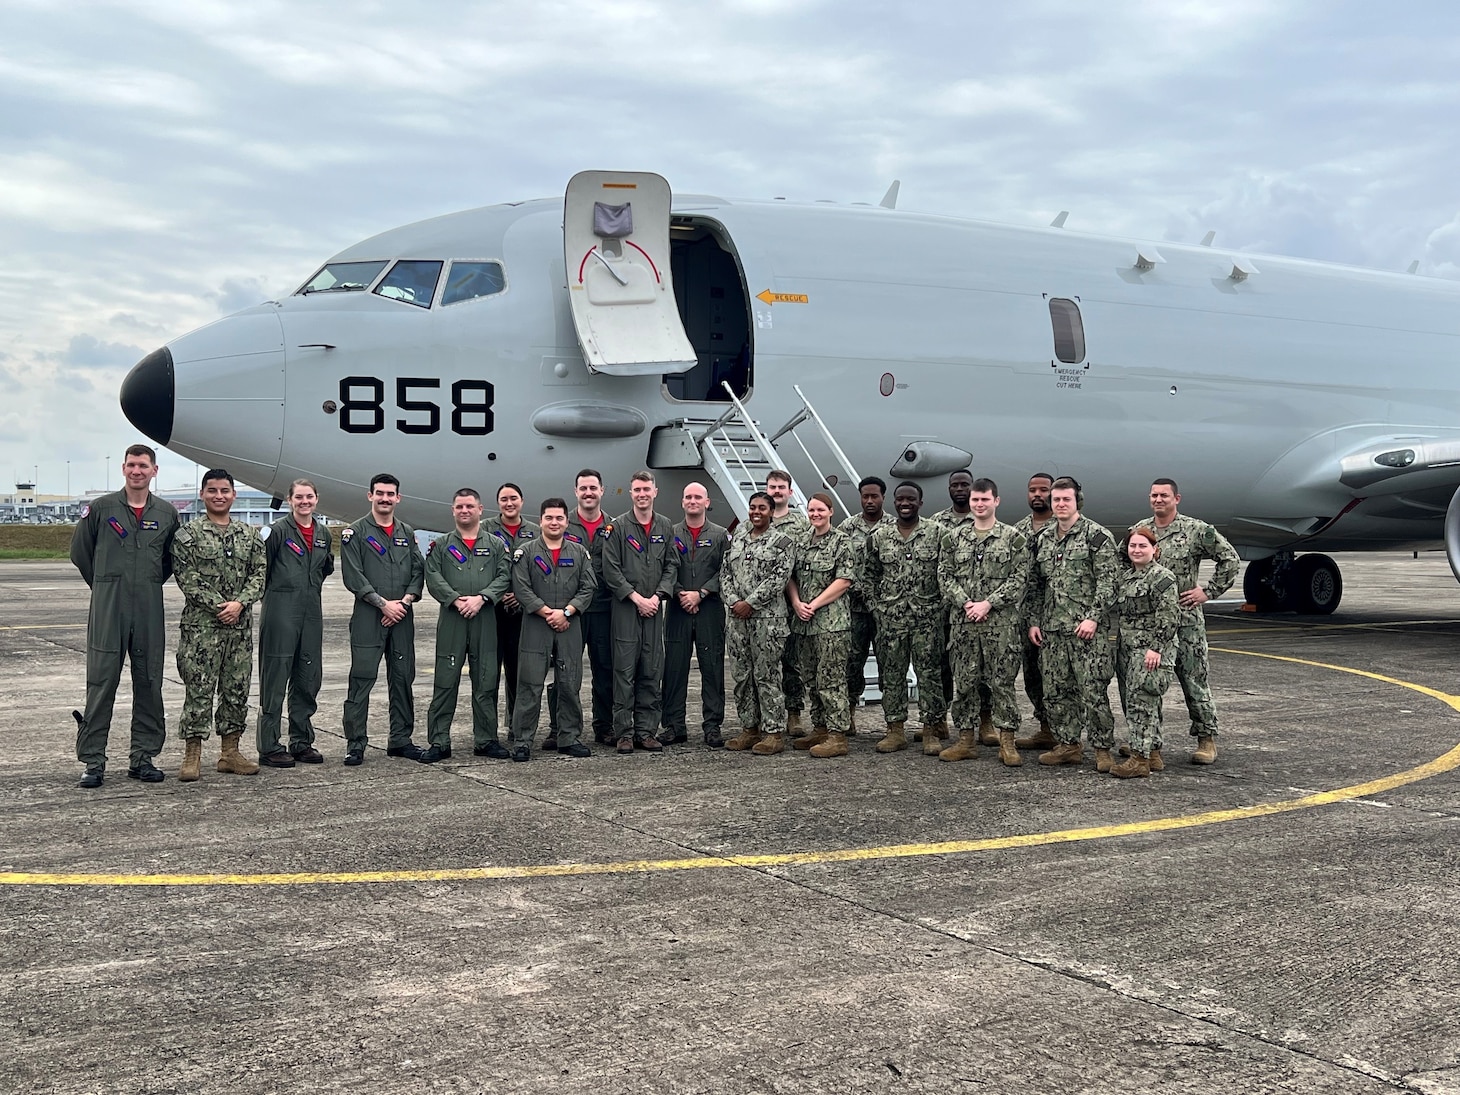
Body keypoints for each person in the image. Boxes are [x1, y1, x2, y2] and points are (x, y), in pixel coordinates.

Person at [70, 443, 180, 788]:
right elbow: (80, 552)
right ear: (123, 468)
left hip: (148, 605)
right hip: (109, 606)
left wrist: (144, 583)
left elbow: (169, 560)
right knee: (102, 682)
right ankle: (93, 760)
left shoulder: (165, 512)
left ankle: (143, 757)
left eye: (143, 466)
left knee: (149, 681)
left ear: (154, 471)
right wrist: (105, 584)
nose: (137, 471)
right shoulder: (101, 509)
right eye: (132, 465)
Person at [171, 468, 267, 782]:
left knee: (235, 691)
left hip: (238, 630)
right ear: (203, 494)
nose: (219, 496)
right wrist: (220, 606)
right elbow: (188, 579)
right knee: (198, 690)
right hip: (202, 629)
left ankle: (230, 753)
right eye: (212, 490)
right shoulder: (188, 535)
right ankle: (192, 754)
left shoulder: (250, 535)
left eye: (225, 490)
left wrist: (239, 604)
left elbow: (259, 575)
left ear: (233, 494)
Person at [1146, 478, 1241, 765]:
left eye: (1164, 495)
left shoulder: (1196, 530)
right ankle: (1148, 743)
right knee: (1148, 685)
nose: (1158, 499)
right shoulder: (1141, 531)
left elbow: (1230, 559)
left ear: (1177, 499)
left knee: (1194, 681)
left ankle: (1206, 739)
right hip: (1152, 623)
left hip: (1185, 619)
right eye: (1154, 495)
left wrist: (1208, 591)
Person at [1026, 477, 1118, 771]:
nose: (1060, 505)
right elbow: (1035, 585)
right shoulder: (1042, 539)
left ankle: (1102, 748)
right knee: (1056, 692)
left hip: (1086, 632)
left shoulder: (1097, 536)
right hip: (1052, 632)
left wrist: (1093, 617)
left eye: (1066, 499)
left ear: (1078, 501)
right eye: (1056, 500)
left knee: (1092, 692)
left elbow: (1109, 583)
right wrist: (1034, 621)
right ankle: (1068, 745)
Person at [937, 478, 1029, 766]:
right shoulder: (953, 539)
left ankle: (1007, 741)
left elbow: (1019, 579)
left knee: (1001, 684)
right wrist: (966, 602)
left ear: (996, 502)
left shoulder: (1014, 539)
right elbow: (944, 575)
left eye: (985, 500)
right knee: (964, 682)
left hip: (999, 625)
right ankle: (965, 739)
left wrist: (988, 603)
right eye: (975, 500)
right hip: (964, 623)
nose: (979, 504)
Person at [340, 473, 427, 765]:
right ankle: (355, 743)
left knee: (402, 679)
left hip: (402, 616)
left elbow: (418, 571)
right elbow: (353, 576)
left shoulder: (406, 532)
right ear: (370, 496)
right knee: (362, 679)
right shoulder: (356, 532)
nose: (385, 498)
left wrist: (402, 604)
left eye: (390, 494)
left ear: (398, 498)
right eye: (380, 493)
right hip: (368, 616)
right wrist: (382, 605)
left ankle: (400, 739)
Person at [423, 488, 512, 762]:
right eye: (460, 506)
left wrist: (482, 598)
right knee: (445, 681)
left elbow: (504, 575)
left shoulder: (496, 545)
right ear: (453, 510)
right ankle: (439, 741)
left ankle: (486, 740)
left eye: (469, 506)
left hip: (485, 617)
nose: (465, 511)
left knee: (485, 680)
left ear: (480, 509)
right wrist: (454, 599)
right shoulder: (441, 545)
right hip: (452, 618)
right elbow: (433, 576)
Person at [508, 499, 597, 761]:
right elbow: (521, 588)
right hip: (536, 624)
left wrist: (567, 612)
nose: (554, 522)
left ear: (566, 522)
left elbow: (588, 586)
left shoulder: (579, 553)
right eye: (549, 518)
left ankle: (568, 737)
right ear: (541, 520)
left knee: (569, 683)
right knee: (529, 684)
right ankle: (523, 741)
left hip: (570, 624)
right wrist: (548, 612)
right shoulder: (525, 552)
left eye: (559, 518)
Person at [864, 482, 949, 753]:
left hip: (927, 620)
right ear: (894, 502)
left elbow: (947, 574)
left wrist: (940, 607)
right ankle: (895, 729)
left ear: (920, 503)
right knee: (891, 675)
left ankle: (931, 730)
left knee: (930, 675)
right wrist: (877, 607)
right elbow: (867, 575)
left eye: (911, 499)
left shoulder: (938, 534)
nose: (905, 503)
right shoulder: (880, 536)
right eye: (900, 499)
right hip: (891, 620)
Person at [256, 478, 334, 768]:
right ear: (290, 500)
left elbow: (324, 569)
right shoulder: (276, 531)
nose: (305, 501)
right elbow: (261, 568)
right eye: (299, 497)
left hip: (311, 610)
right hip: (280, 609)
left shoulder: (324, 534)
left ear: (316, 500)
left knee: (307, 677)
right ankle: (269, 745)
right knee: (275, 677)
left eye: (309, 497)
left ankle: (302, 741)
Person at [603, 470, 677, 753]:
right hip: (626, 608)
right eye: (637, 490)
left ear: (654, 492)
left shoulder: (665, 526)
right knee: (624, 670)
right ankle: (624, 732)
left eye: (647, 489)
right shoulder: (617, 527)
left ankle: (646, 731)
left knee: (651, 669)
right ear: (631, 493)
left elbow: (672, 565)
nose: (642, 494)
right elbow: (611, 569)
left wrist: (657, 597)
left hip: (654, 608)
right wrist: (637, 598)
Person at [722, 492, 797, 754]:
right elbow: (725, 574)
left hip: (767, 620)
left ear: (771, 511)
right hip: (737, 620)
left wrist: (750, 603)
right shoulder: (739, 538)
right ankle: (749, 728)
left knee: (767, 675)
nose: (756, 512)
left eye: (762, 508)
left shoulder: (782, 542)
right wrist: (733, 601)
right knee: (742, 676)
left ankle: (774, 732)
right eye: (752, 507)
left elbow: (779, 579)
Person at [661, 482, 730, 747]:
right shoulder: (670, 533)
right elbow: (666, 568)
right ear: (682, 502)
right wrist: (680, 593)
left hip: (709, 608)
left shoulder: (720, 534)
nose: (692, 500)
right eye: (688, 496)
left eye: (697, 497)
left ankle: (712, 726)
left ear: (707, 501)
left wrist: (701, 593)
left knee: (712, 668)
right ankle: (673, 725)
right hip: (678, 608)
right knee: (674, 669)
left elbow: (725, 571)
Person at [788, 493, 856, 758]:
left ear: (831, 511)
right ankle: (820, 727)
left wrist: (813, 604)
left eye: (820, 510)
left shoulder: (841, 542)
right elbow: (789, 576)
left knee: (831, 678)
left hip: (831, 623)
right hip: (803, 622)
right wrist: (796, 603)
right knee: (810, 678)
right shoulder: (801, 541)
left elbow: (844, 580)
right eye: (811, 510)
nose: (815, 514)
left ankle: (838, 734)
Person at [1110, 525, 1180, 778]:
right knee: (1137, 701)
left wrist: (1156, 648)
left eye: (1143, 546)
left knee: (1142, 702)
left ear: (1155, 550)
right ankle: (1153, 752)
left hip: (1149, 650)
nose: (1136, 550)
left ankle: (1139, 760)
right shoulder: (1127, 577)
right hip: (1128, 648)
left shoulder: (1162, 578)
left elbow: (1170, 616)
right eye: (1132, 546)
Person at [558, 469, 615, 746]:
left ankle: (604, 726)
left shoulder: (614, 527)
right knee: (565, 670)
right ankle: (562, 727)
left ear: (602, 491)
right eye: (583, 488)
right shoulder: (563, 525)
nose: (588, 493)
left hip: (604, 609)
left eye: (593, 488)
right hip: (572, 612)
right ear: (576, 492)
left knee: (604, 669)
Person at [484, 483, 540, 732]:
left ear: (522, 501)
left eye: (514, 498)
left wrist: (521, 595)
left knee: (518, 674)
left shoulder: (535, 531)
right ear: (498, 503)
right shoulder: (485, 529)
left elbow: (540, 571)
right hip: (492, 610)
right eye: (504, 499)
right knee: (489, 674)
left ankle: (516, 727)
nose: (509, 503)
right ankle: (487, 731)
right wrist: (497, 594)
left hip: (522, 612)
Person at [839, 476, 894, 714]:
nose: (870, 501)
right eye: (865, 496)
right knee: (851, 663)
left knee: (890, 664)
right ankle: (848, 714)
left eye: (874, 496)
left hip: (885, 609)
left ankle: (893, 721)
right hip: (854, 610)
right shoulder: (847, 528)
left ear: (883, 497)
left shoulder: (894, 527)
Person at [929, 469, 974, 742]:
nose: (959, 488)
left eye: (964, 484)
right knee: (940, 666)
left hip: (973, 611)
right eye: (954, 485)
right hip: (942, 609)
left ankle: (985, 720)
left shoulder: (982, 519)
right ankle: (940, 719)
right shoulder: (937, 522)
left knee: (974, 668)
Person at [765, 469, 811, 736]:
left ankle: (793, 713)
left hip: (791, 603)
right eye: (772, 487)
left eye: (781, 487)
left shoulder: (800, 525)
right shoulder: (757, 520)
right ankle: (768, 716)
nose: (777, 491)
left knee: (792, 661)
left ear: (790, 492)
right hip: (765, 606)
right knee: (766, 664)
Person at [1013, 473, 1056, 751]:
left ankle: (1064, 731)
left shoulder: (1063, 527)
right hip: (1023, 616)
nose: (1037, 494)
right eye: (1032, 490)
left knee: (1055, 677)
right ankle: (1045, 728)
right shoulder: (1016, 531)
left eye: (1043, 489)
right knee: (1031, 676)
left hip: (1054, 616)